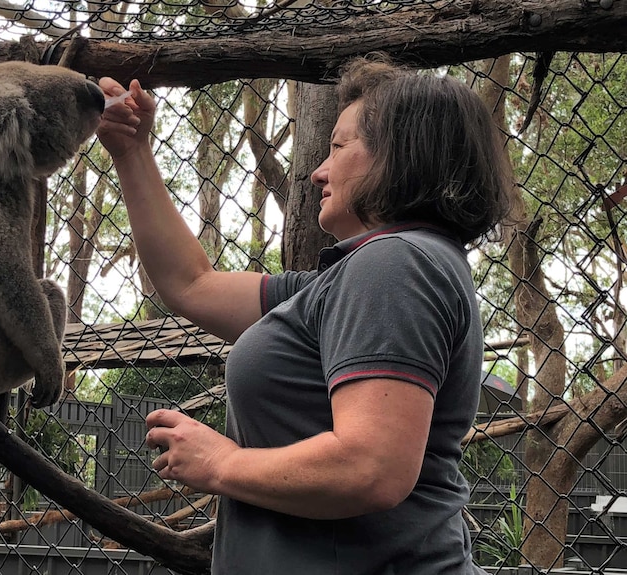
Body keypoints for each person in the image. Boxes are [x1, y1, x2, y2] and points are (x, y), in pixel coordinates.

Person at [96, 55, 518, 574]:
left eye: (339, 147)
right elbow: (193, 285)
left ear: (401, 155)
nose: (319, 170)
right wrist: (133, 153)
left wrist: (222, 464)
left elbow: (371, 468)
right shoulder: (354, 280)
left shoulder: (394, 264)